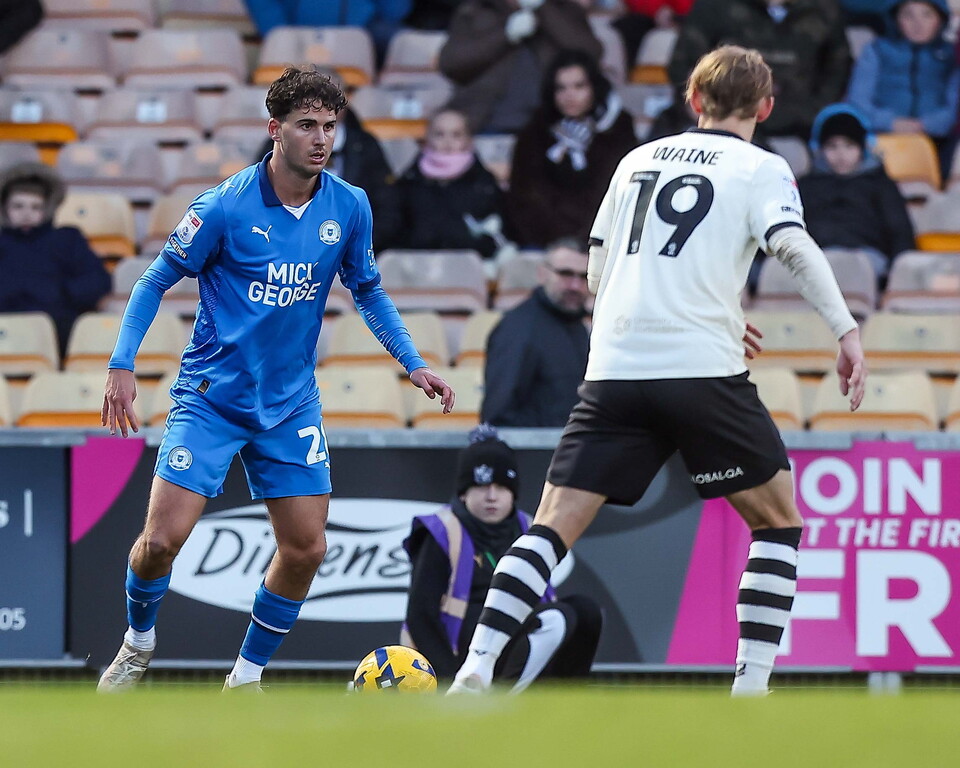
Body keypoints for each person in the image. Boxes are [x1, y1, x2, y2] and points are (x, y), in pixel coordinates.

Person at [449, 45, 867, 697]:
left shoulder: (637, 160)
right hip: (701, 369)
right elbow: (792, 246)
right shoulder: (761, 169)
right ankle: (751, 688)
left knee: (553, 524)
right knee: (778, 520)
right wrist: (846, 330)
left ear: (693, 101)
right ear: (765, 107)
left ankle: (475, 666)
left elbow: (595, 266)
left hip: (616, 368)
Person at [97, 67, 455, 693]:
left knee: (306, 548)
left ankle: (245, 679)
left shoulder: (349, 205)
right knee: (160, 542)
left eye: (329, 126)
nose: (321, 139)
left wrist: (412, 361)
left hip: (289, 406)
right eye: (306, 126)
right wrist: (122, 364)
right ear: (275, 129)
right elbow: (154, 280)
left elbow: (366, 290)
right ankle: (136, 645)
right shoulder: (223, 207)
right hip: (212, 398)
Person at [402, 424, 602, 690]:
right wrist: (451, 682)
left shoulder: (528, 529)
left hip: (514, 647)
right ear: (464, 492)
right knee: (554, 619)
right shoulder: (441, 530)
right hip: (458, 661)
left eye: (501, 487)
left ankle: (558, 703)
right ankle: (489, 701)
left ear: (513, 493)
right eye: (482, 486)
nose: (492, 496)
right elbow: (420, 617)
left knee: (585, 612)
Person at [506, 49, 637, 248]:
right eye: (561, 88)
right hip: (543, 244)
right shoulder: (534, 133)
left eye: (579, 86)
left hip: (603, 242)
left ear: (594, 87)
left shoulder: (618, 130)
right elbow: (524, 197)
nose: (570, 95)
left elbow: (617, 193)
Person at [666, 0, 851, 139]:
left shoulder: (824, 9)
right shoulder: (716, 6)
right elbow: (684, 63)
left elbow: (838, 68)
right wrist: (708, 106)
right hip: (723, 120)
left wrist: (813, 111)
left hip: (800, 127)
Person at [438, 0, 602, 135]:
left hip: (553, 127)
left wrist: (542, 8)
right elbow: (450, 64)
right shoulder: (475, 9)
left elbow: (591, 54)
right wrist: (506, 35)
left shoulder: (563, 8)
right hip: (486, 125)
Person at [256, 101, 401, 250]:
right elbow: (258, 203)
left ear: (342, 105)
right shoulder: (277, 145)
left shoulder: (367, 147)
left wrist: (355, 248)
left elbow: (388, 210)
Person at [0, 162, 110, 358]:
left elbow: (98, 280)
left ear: (48, 208)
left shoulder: (67, 239)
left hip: (57, 329)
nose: (26, 213)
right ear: (5, 208)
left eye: (36, 207)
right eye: (18, 206)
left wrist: (61, 294)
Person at [799, 103, 915, 285]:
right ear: (820, 150)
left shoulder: (881, 185)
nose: (841, 154)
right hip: (816, 258)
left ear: (862, 148)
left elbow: (900, 232)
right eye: (832, 146)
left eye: (849, 146)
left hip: (867, 258)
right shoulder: (805, 186)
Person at [481, 239, 589, 427]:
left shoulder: (576, 325)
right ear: (542, 274)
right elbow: (498, 415)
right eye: (565, 274)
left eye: (584, 277)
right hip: (535, 453)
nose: (575, 286)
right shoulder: (518, 329)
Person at [846, 0, 959, 173]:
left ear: (940, 19)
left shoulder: (951, 56)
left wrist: (925, 125)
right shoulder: (876, 50)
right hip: (880, 138)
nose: (917, 23)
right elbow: (858, 101)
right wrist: (892, 122)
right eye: (908, 15)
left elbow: (953, 107)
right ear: (895, 19)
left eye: (927, 15)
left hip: (937, 141)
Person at [394, 109, 509, 267]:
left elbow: (497, 233)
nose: (448, 142)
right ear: (427, 139)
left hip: (473, 266)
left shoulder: (485, 183)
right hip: (417, 265)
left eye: (456, 135)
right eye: (439, 134)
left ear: (469, 140)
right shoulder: (409, 183)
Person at [242, 0, 410, 64]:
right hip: (294, 39)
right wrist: (286, 35)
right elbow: (265, 12)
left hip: (364, 35)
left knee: (403, 43)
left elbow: (396, 10)